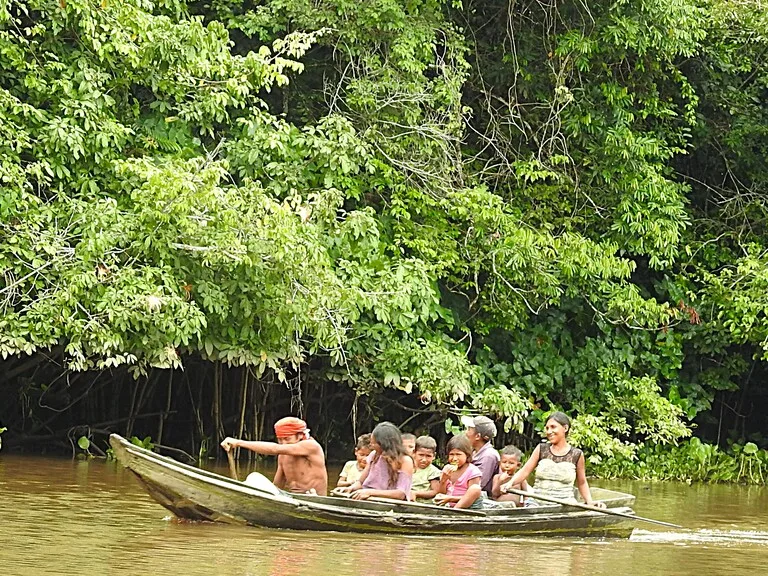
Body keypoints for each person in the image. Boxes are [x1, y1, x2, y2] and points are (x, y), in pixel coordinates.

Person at [507, 411, 606, 508]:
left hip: (565, 504)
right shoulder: (541, 449)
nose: (549, 432)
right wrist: (510, 483)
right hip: (537, 502)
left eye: (553, 427)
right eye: (547, 428)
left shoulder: (577, 454)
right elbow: (524, 471)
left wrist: (589, 501)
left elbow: (582, 482)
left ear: (565, 428)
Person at [221, 416, 328, 496]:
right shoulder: (283, 456)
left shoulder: (311, 446)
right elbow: (276, 486)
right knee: (253, 480)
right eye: (280, 439)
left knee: (254, 477)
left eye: (287, 439)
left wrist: (239, 443)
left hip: (314, 499)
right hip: (293, 499)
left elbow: (275, 449)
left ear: (300, 435)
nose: (283, 443)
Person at [337, 422, 414, 501]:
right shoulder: (374, 455)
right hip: (367, 498)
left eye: (373, 443)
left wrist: (370, 492)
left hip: (389, 503)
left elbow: (401, 493)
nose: (371, 445)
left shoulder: (405, 461)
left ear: (383, 444)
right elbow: (360, 482)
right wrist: (350, 488)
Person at [434, 434, 483, 509]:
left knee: (475, 488)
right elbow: (441, 494)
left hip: (469, 507)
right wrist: (443, 480)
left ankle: (455, 511)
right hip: (449, 506)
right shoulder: (447, 469)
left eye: (458, 454)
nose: (454, 458)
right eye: (451, 454)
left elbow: (473, 497)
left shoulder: (472, 471)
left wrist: (450, 499)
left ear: (467, 455)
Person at [462, 415, 500, 494]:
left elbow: (479, 484)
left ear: (477, 436)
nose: (465, 433)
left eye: (469, 429)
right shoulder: (473, 452)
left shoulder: (488, 456)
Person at [410, 435, 441, 501]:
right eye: (421, 455)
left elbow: (435, 491)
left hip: (424, 505)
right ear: (414, 453)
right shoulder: (408, 467)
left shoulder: (433, 472)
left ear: (434, 456)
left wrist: (416, 493)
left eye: (428, 456)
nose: (424, 459)